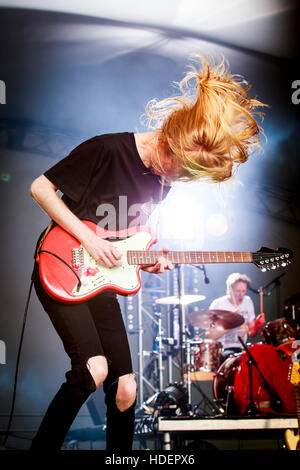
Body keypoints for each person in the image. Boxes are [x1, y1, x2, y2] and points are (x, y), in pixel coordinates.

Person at [29, 56, 267, 450]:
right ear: (170, 139)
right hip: (61, 265)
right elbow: (39, 188)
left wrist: (152, 261)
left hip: (100, 282)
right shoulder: (107, 149)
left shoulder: (164, 182)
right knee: (94, 369)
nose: (172, 179)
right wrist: (89, 240)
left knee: (126, 388)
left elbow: (126, 242)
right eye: (177, 170)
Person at [206, 273, 266, 361]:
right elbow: (210, 336)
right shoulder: (218, 304)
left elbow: (251, 333)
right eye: (238, 291)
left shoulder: (247, 301)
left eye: (243, 291)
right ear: (229, 290)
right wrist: (232, 322)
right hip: (223, 349)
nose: (241, 294)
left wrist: (257, 325)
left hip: (242, 348)